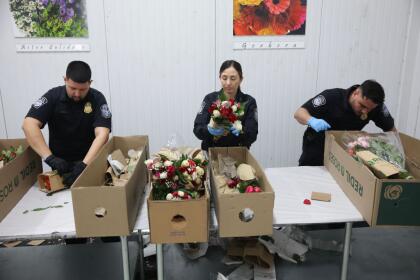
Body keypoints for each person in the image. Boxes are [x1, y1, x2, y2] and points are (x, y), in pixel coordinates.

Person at [22, 60, 112, 186]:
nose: (77, 93)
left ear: (90, 83)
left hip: (89, 164)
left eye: (82, 89)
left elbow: (103, 134)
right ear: (65, 79)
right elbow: (28, 124)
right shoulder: (53, 96)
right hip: (60, 165)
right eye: (72, 88)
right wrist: (49, 158)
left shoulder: (97, 98)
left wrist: (84, 165)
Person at [294, 80, 396, 166]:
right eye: (362, 106)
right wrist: (311, 120)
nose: (365, 111)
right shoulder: (331, 97)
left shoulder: (376, 107)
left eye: (369, 109)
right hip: (317, 150)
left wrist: (393, 154)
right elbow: (299, 113)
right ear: (356, 93)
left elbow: (392, 131)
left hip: (346, 155)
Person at [194, 60, 258, 150]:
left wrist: (241, 130)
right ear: (219, 77)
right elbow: (197, 129)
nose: (228, 83)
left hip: (238, 154)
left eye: (233, 78)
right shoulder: (210, 99)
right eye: (224, 78)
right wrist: (209, 130)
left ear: (241, 79)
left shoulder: (248, 101)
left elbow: (253, 135)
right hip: (211, 152)